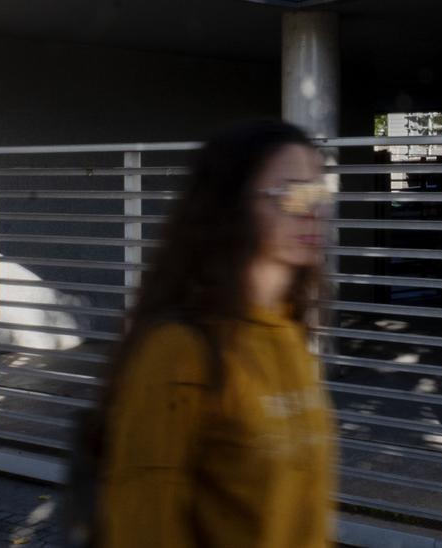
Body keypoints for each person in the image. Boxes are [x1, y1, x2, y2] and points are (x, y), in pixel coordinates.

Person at [95, 121, 336, 547]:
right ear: (232, 207)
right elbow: (143, 523)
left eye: (317, 192)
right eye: (291, 193)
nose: (312, 209)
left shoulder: (289, 334)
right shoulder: (178, 350)